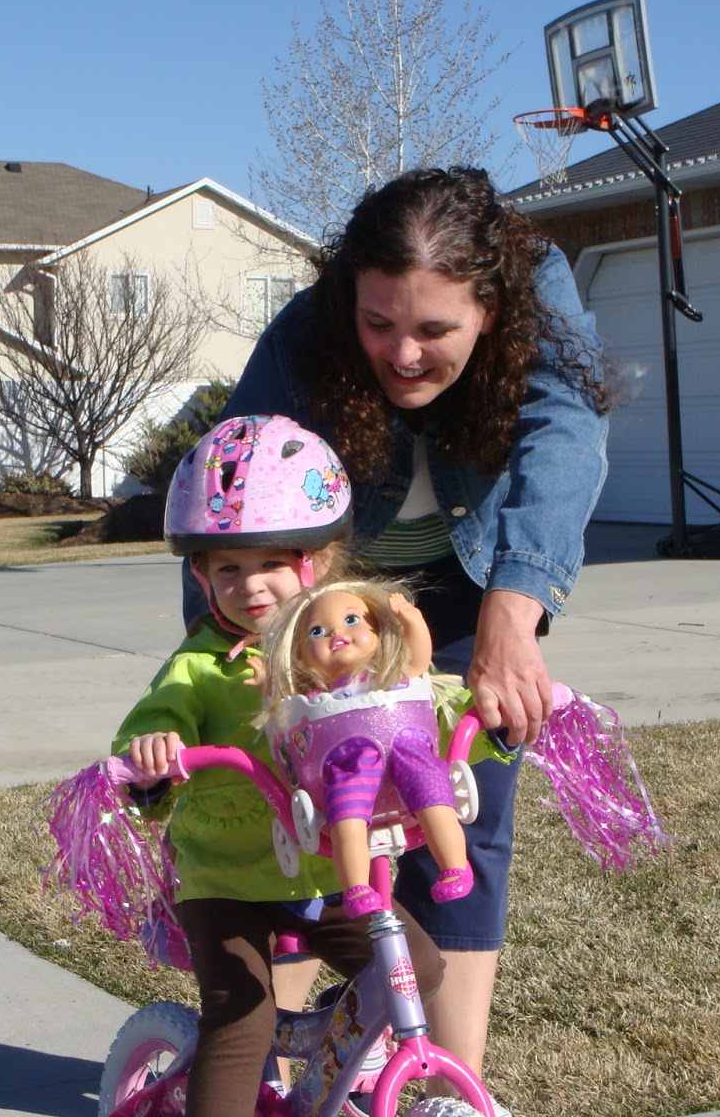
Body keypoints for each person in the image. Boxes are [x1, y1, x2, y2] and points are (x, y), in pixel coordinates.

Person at [202, 165, 615, 1089]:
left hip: (473, 586)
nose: (403, 354)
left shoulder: (536, 286)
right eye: (380, 323)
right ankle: (282, 1072)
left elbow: (566, 432)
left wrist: (518, 614)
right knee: (307, 810)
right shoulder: (309, 328)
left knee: (465, 821)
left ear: (491, 313)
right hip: (328, 591)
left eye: (436, 330)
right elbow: (237, 488)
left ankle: (446, 1084)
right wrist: (241, 649)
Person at [114, 413, 444, 1117]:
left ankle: (322, 1058)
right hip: (226, 877)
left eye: (270, 563)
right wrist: (151, 756)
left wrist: (491, 717)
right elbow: (159, 716)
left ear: (314, 563)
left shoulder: (341, 645)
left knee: (419, 966)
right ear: (200, 575)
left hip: (328, 870)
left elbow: (413, 696)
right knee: (242, 1019)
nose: (251, 585)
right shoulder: (200, 664)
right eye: (227, 568)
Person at [258, 580, 472, 917]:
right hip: (347, 759)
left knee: (433, 796)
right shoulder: (315, 698)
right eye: (316, 631)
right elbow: (280, 707)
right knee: (347, 816)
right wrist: (266, 677)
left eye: (351, 620)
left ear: (379, 630)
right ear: (299, 656)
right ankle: (356, 886)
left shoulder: (390, 676)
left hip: (406, 744)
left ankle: (455, 866)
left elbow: (418, 661)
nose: (335, 633)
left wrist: (412, 620)